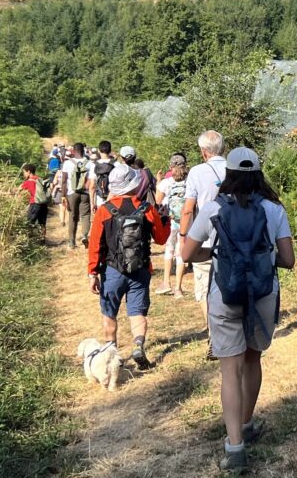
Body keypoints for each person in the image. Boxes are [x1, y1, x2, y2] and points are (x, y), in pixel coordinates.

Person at [182, 147, 295, 473]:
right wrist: (259, 259)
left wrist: (218, 257)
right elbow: (287, 260)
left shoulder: (214, 208)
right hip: (261, 294)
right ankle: (246, 422)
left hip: (225, 294)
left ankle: (235, 448)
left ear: (228, 174)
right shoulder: (274, 209)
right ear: (259, 173)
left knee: (229, 371)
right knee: (252, 359)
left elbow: (188, 253)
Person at [88, 162, 171, 371]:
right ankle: (138, 345)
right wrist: (166, 220)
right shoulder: (147, 209)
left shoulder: (104, 211)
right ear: (134, 184)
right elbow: (161, 239)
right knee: (137, 312)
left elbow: (95, 244)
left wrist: (92, 272)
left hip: (112, 270)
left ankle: (111, 357)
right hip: (140, 269)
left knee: (109, 315)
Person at [179, 130, 228, 305]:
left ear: (204, 151)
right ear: (223, 148)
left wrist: (183, 236)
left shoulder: (197, 172)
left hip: (206, 239)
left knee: (204, 286)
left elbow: (188, 209)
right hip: (235, 235)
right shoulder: (234, 168)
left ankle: (211, 328)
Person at [154, 154, 189, 297]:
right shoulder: (190, 181)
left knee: (169, 251)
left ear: (171, 167)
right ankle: (178, 289)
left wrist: (158, 182)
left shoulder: (166, 183)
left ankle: (166, 282)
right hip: (187, 222)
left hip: (171, 222)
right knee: (181, 253)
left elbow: (158, 200)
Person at [61, 143, 93, 250]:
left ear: (73, 151)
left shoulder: (67, 163)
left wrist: (63, 195)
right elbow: (92, 181)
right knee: (85, 215)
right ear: (83, 150)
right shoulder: (90, 163)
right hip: (85, 193)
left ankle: (71, 242)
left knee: (72, 217)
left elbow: (64, 180)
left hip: (71, 192)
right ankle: (84, 235)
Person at [20, 162, 50, 240]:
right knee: (42, 223)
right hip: (44, 204)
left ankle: (29, 240)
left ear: (29, 171)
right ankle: (42, 240)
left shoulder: (29, 181)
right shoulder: (39, 179)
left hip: (35, 204)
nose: (24, 174)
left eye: (24, 172)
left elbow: (17, 190)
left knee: (29, 223)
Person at [91, 141, 117, 210]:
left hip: (99, 198)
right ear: (110, 150)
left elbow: (92, 186)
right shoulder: (116, 164)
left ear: (99, 150)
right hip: (114, 199)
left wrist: (92, 203)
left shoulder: (94, 165)